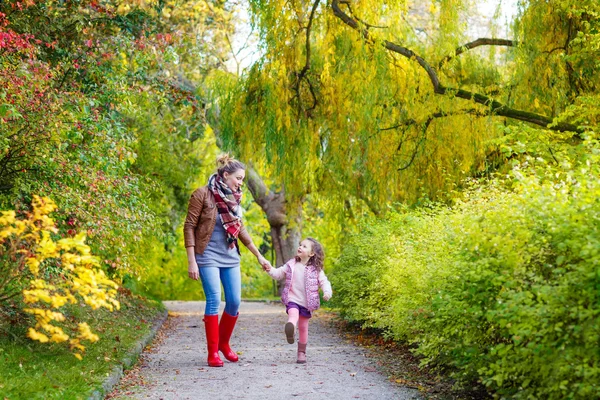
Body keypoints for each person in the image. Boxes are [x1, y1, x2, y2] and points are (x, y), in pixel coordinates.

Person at [184, 154, 271, 367]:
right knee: (214, 298)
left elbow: (240, 229)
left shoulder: (234, 198)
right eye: (238, 178)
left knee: (234, 302)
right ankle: (213, 353)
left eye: (242, 179)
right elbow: (189, 227)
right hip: (207, 256)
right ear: (225, 175)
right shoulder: (201, 195)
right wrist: (192, 260)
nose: (240, 183)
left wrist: (259, 256)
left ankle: (224, 344)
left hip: (230, 256)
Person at [264, 237, 332, 364]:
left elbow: (324, 282)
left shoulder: (316, 270)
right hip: (292, 299)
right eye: (300, 245)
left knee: (304, 327)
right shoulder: (291, 264)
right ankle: (291, 327)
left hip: (307, 303)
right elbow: (278, 273)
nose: (300, 247)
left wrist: (327, 292)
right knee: (293, 314)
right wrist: (269, 269)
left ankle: (301, 353)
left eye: (304, 246)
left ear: (311, 254)